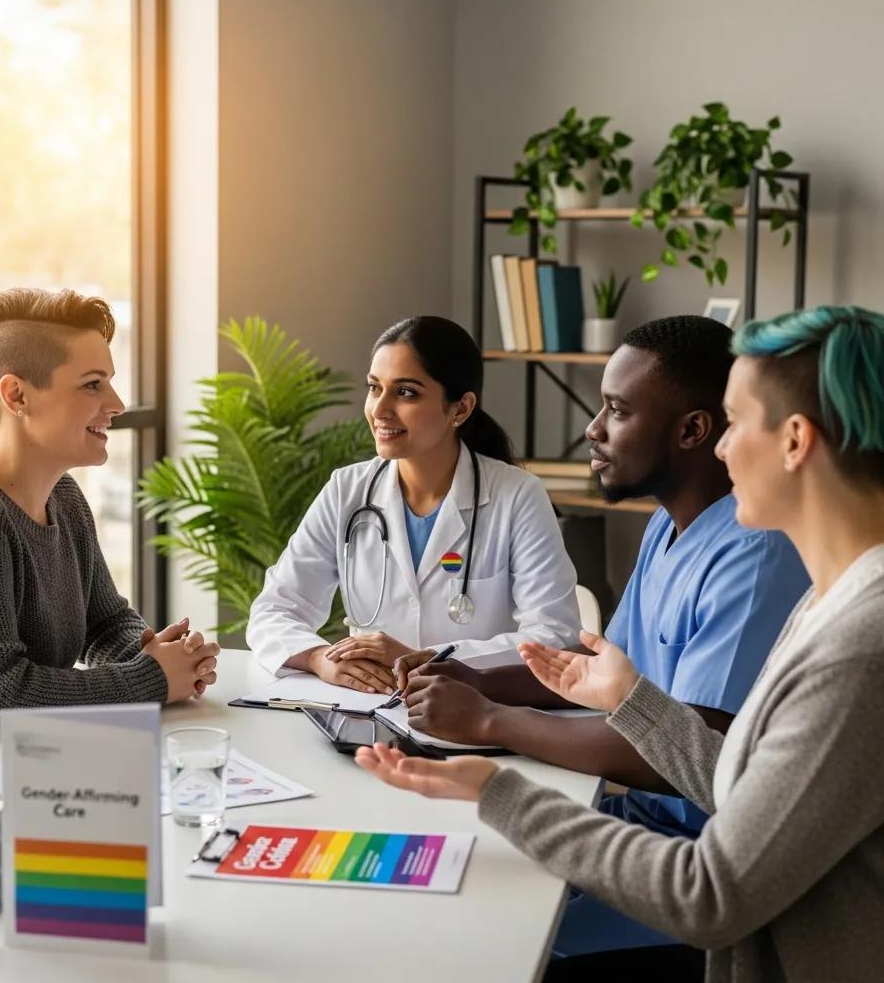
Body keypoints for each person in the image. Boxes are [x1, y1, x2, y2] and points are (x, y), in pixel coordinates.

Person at [357, 304, 884, 982]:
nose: (723, 449)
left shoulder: (855, 649)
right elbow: (739, 781)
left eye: (735, 423)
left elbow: (708, 894)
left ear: (794, 442)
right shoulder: (829, 603)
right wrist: (616, 698)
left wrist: (498, 784)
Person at [0, 288, 219, 807]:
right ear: (17, 396)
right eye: (92, 385)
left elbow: (104, 623)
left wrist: (154, 654)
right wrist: (150, 680)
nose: (117, 405)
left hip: (5, 785)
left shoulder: (64, 498)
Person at [246, 315, 580, 692]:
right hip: (369, 705)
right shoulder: (347, 490)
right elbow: (274, 610)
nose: (380, 409)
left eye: (405, 392)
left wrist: (430, 659)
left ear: (460, 409)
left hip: (471, 705)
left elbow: (555, 634)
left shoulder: (517, 496)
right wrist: (318, 657)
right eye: (375, 388)